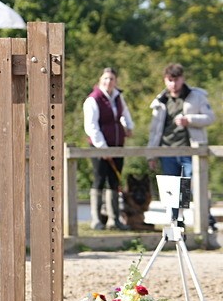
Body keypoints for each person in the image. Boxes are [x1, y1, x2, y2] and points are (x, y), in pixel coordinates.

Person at [147, 63, 216, 229]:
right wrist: (151, 154)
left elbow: (210, 117)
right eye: (170, 80)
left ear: (182, 79)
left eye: (176, 80)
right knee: (172, 189)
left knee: (193, 185)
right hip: (167, 150)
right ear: (165, 80)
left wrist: (189, 120)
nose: (173, 84)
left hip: (190, 149)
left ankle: (206, 219)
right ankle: (176, 222)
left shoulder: (196, 96)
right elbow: (154, 130)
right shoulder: (160, 100)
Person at [83, 67, 134, 230]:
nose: (108, 82)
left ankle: (114, 220)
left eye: (111, 79)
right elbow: (91, 126)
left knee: (114, 181)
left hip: (117, 145)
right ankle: (97, 220)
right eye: (105, 78)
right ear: (100, 80)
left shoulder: (118, 97)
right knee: (99, 180)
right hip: (99, 147)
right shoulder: (93, 99)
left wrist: (129, 127)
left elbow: (124, 114)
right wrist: (103, 148)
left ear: (115, 81)